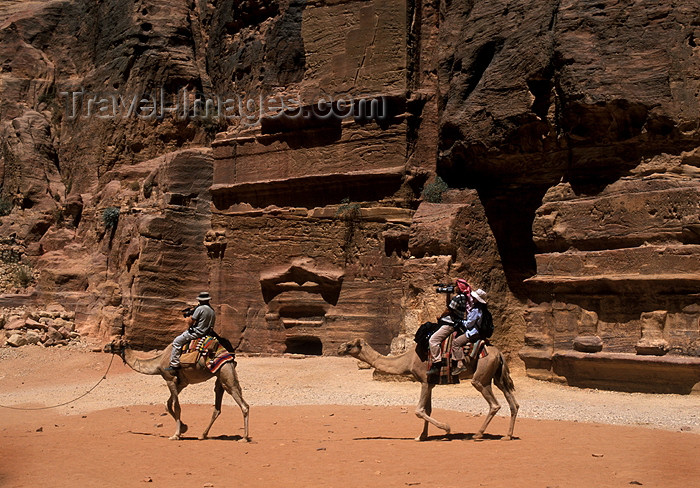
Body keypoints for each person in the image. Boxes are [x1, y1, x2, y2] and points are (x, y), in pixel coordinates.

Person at [427, 279, 474, 376]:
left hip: (450, 324)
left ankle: (437, 363)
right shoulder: (462, 297)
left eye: (456, 286)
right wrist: (448, 295)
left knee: (433, 340)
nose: (455, 288)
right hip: (454, 322)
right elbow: (449, 305)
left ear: (460, 288)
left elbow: (449, 309)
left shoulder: (458, 298)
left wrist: (441, 316)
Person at [166, 292, 216, 373]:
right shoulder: (212, 310)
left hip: (197, 332)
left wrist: (188, 317)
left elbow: (191, 322)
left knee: (177, 342)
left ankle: (174, 365)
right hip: (207, 333)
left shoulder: (200, 309)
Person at [451, 288, 488, 376]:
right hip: (476, 331)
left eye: (474, 297)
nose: (472, 298)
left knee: (455, 343)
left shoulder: (475, 310)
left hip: (472, 333)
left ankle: (460, 365)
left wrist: (460, 321)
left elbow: (469, 325)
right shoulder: (481, 309)